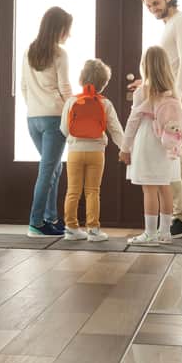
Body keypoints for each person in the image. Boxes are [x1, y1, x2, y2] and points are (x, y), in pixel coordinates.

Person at [133, 0, 182, 238]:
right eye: (148, 6)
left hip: (175, 102)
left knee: (174, 156)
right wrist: (150, 84)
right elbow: (170, 65)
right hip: (166, 99)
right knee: (173, 157)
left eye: (156, 3)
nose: (153, 9)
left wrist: (175, 94)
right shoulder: (169, 26)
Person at [120, 46, 182, 245]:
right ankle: (165, 233)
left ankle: (149, 233)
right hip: (167, 145)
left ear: (145, 66)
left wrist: (125, 147)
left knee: (149, 188)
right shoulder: (173, 92)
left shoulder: (143, 92)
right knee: (165, 186)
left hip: (148, 140)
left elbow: (133, 120)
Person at [20, 6, 73, 237]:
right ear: (59, 29)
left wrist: (35, 106)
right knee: (47, 170)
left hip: (33, 118)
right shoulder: (59, 53)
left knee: (54, 168)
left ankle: (51, 218)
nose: (68, 35)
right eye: (67, 30)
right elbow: (64, 88)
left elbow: (23, 86)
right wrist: (75, 109)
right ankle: (36, 223)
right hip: (53, 117)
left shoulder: (29, 51)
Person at [59, 59, 125, 242]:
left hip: (75, 152)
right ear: (103, 83)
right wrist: (126, 149)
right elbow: (116, 130)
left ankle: (71, 229)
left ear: (82, 78)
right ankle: (94, 230)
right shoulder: (106, 104)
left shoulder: (72, 101)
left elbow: (64, 129)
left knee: (73, 190)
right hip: (96, 153)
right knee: (92, 191)